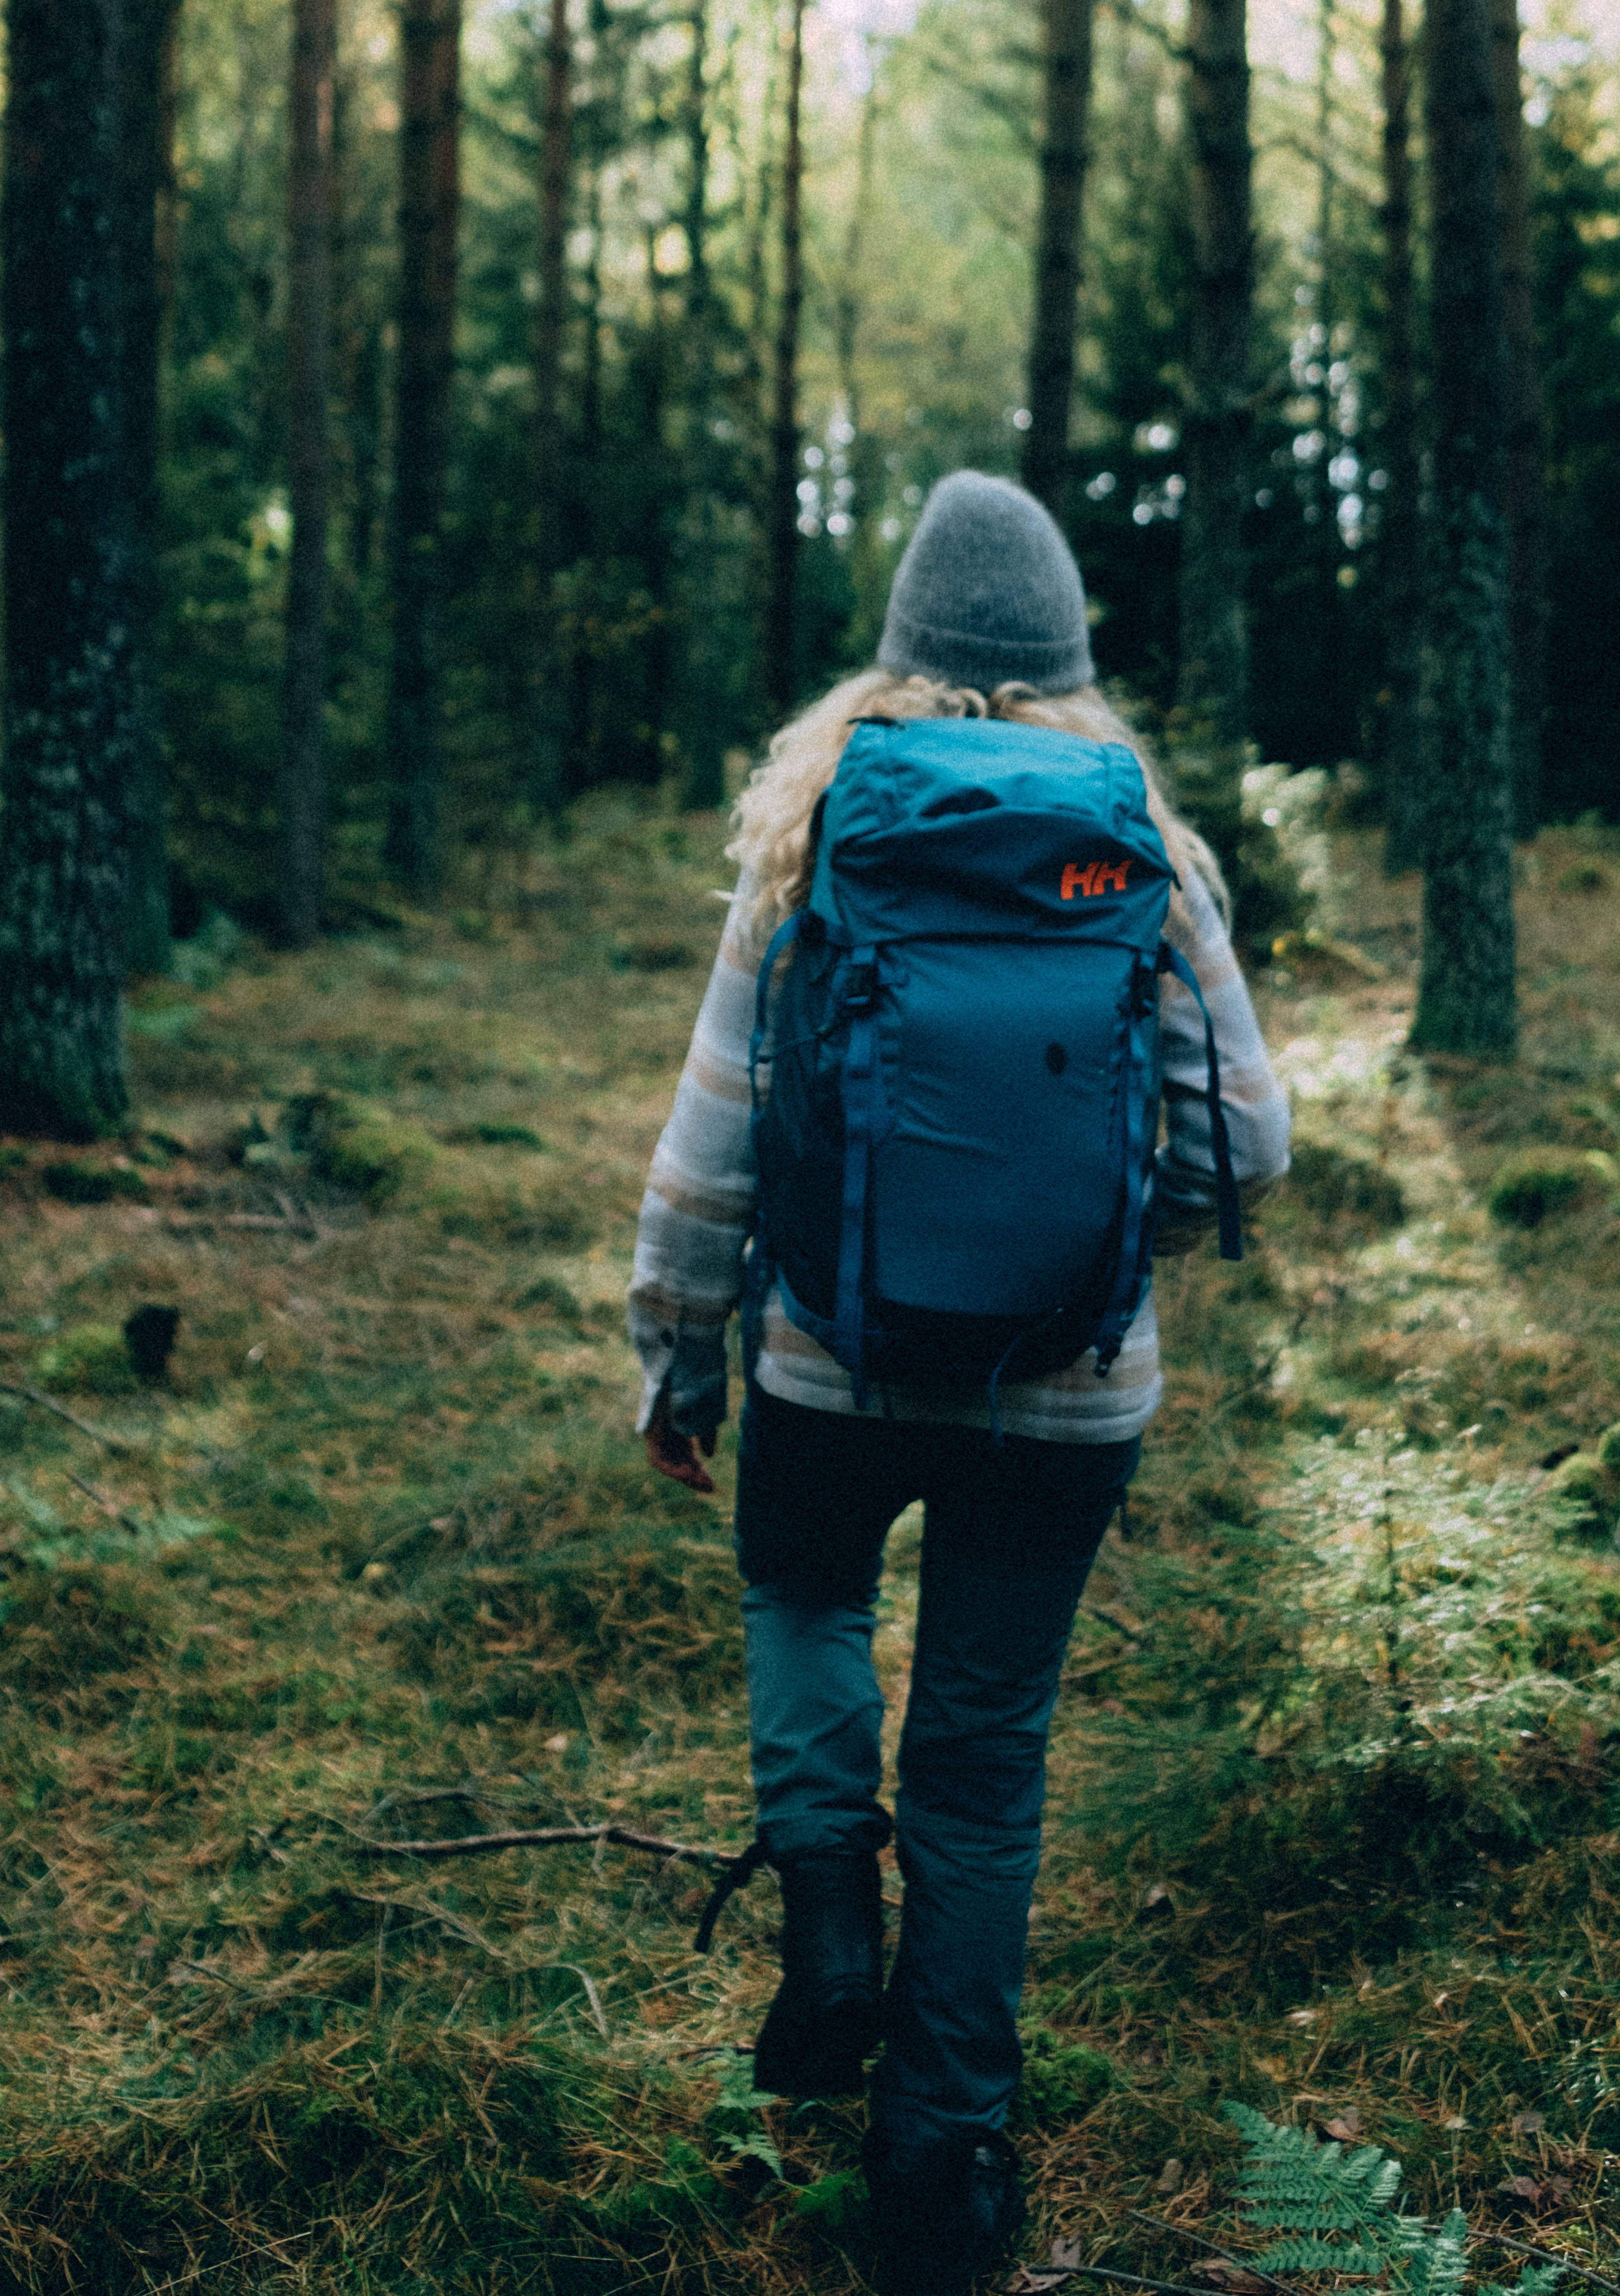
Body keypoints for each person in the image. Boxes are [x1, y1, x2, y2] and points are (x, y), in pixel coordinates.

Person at [628, 471, 1290, 2295]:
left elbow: (712, 1148)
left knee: (803, 1589)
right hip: (1071, 1392)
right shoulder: (1133, 841)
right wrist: (1085, 1254)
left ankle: (830, 1914)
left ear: (901, 648)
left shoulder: (822, 830)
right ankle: (946, 2177)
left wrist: (678, 1355)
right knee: (989, 1769)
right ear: (1076, 661)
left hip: (831, 1361)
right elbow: (1248, 1132)